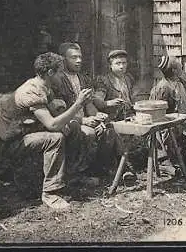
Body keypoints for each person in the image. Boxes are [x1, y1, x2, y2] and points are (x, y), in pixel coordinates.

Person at [11, 52, 94, 209]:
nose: (62, 75)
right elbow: (52, 125)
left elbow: (58, 117)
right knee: (55, 138)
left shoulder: (46, 87)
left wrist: (72, 120)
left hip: (32, 133)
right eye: (60, 72)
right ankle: (50, 193)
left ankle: (71, 176)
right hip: (15, 140)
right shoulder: (31, 90)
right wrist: (78, 104)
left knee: (74, 126)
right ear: (50, 73)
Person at [50, 42, 111, 176]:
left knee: (107, 128)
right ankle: (75, 174)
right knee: (88, 134)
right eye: (73, 57)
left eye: (80, 57)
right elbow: (58, 112)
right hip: (67, 122)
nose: (79, 61)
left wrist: (97, 116)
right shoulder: (57, 80)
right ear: (63, 59)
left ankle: (100, 170)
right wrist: (84, 120)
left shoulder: (82, 78)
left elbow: (88, 104)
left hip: (85, 119)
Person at [93, 49, 143, 183]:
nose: (122, 66)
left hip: (128, 115)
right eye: (118, 63)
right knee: (115, 134)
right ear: (110, 65)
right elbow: (97, 101)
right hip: (112, 118)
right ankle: (126, 169)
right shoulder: (104, 81)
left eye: (124, 63)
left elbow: (132, 98)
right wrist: (109, 102)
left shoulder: (128, 78)